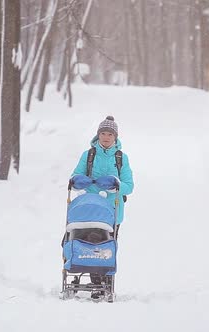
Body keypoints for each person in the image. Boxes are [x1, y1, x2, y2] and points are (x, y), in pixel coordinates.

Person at [70, 116, 134, 299]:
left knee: (106, 247)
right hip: (89, 209)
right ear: (98, 135)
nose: (106, 137)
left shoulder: (121, 158)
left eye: (110, 134)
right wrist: (78, 181)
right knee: (90, 243)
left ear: (115, 137)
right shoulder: (88, 155)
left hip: (112, 211)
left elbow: (129, 185)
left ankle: (105, 282)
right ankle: (97, 283)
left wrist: (116, 185)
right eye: (103, 133)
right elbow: (75, 176)